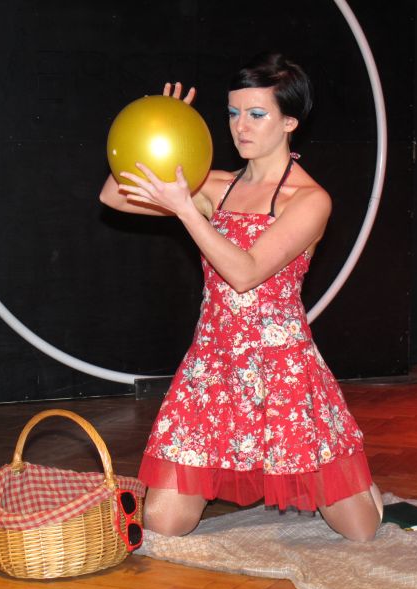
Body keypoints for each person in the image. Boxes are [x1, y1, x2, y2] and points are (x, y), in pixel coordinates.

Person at [99, 52, 383, 541]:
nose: (240, 127)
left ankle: (363, 487)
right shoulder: (214, 185)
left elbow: (245, 273)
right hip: (213, 362)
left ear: (290, 121)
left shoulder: (310, 200)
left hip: (283, 370)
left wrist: (187, 211)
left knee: (361, 531)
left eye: (256, 114)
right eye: (233, 113)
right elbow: (113, 195)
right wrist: (157, 131)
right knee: (164, 523)